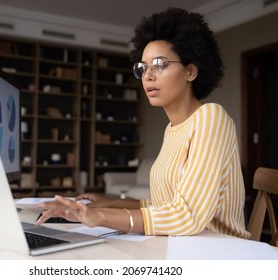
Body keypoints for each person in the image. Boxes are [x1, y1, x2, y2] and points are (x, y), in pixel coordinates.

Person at [37, 7, 251, 239]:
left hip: (220, 251)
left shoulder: (212, 117)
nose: (148, 75)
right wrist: (105, 204)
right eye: (143, 67)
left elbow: (186, 216)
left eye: (159, 64)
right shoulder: (172, 129)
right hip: (179, 246)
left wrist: (98, 217)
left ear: (190, 70)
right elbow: (164, 204)